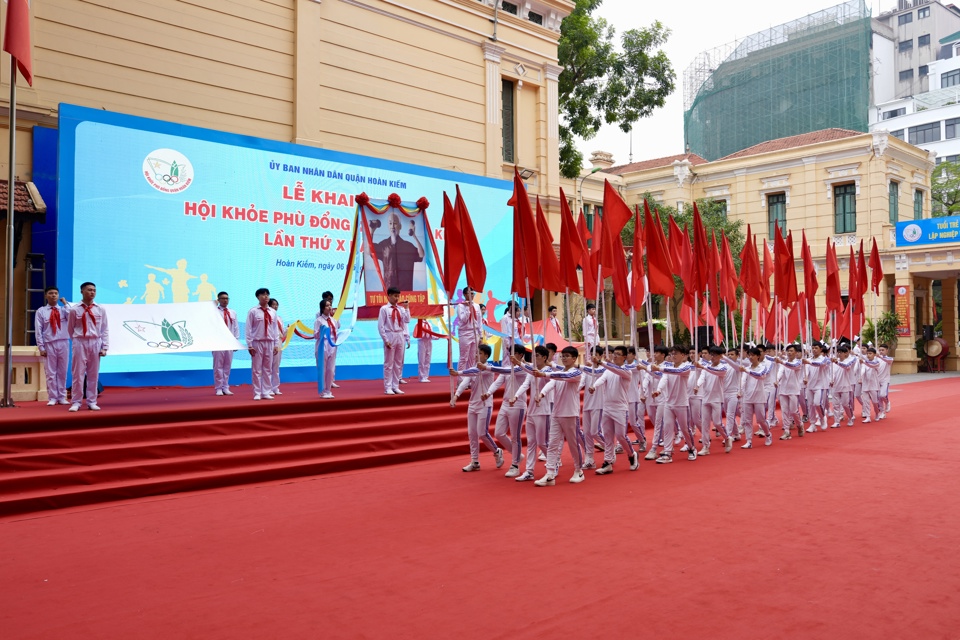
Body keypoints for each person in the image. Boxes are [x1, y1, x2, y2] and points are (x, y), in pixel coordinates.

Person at [533, 346, 585, 486]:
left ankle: (579, 470)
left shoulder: (576, 373)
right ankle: (550, 474)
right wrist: (541, 394)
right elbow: (552, 384)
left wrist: (543, 374)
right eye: (563, 356)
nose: (564, 358)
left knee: (573, 444)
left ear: (574, 358)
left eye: (567, 356)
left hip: (570, 414)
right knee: (553, 443)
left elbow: (563, 377)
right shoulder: (559, 373)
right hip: (556, 413)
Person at [450, 344, 504, 472]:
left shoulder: (488, 368)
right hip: (472, 405)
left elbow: (475, 372)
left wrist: (458, 372)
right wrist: (456, 396)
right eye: (476, 353)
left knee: (482, 433)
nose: (476, 355)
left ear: (486, 355)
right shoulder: (473, 368)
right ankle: (475, 461)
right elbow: (464, 383)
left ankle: (497, 451)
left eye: (479, 353)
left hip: (485, 405)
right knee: (472, 434)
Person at [589, 345, 640, 474]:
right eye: (614, 354)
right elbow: (602, 378)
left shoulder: (626, 372)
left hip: (620, 408)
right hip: (607, 407)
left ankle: (632, 454)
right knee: (607, 436)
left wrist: (601, 362)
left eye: (618, 354)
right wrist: (594, 386)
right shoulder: (608, 370)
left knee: (621, 436)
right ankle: (608, 462)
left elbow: (615, 370)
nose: (615, 356)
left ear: (624, 357)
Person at [484, 345, 529, 477]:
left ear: (520, 355)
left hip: (518, 404)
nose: (510, 356)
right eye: (509, 353)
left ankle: (515, 464)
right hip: (505, 404)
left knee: (515, 436)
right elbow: (498, 382)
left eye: (513, 353)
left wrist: (487, 367)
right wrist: (488, 393)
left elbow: (506, 372)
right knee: (498, 433)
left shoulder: (524, 369)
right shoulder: (508, 369)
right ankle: (517, 455)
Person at [650, 346, 698, 464]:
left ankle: (692, 448)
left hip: (681, 404)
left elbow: (677, 372)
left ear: (683, 355)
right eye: (671, 354)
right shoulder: (667, 368)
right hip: (668, 403)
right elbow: (664, 379)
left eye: (676, 353)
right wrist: (659, 390)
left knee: (685, 429)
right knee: (667, 428)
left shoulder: (686, 367)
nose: (673, 356)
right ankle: (667, 452)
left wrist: (659, 368)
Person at [513, 345, 553, 481]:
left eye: (537, 356)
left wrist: (541, 395)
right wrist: (516, 396)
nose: (534, 358)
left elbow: (549, 384)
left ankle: (553, 465)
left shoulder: (548, 371)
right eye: (533, 356)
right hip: (531, 411)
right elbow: (525, 385)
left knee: (542, 443)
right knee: (531, 442)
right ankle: (529, 471)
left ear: (544, 357)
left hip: (543, 411)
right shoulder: (532, 372)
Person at [67, 282, 108, 411]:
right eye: (89, 290)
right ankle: (76, 402)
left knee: (93, 374)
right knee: (77, 373)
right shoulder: (75, 309)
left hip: (95, 342)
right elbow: (70, 329)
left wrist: (104, 346)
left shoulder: (100, 309)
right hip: (80, 341)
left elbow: (104, 329)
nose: (92, 292)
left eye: (94, 290)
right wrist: (77, 341)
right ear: (82, 291)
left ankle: (91, 401)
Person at [35, 287, 72, 406]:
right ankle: (52, 397)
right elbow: (38, 330)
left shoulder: (63, 310)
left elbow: (72, 316)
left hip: (63, 342)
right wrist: (41, 347)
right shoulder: (41, 311)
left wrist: (65, 303)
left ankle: (62, 396)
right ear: (46, 296)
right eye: (50, 293)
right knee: (51, 372)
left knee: (62, 371)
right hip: (49, 343)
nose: (53, 295)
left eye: (56, 293)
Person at [373, 212, 424, 291]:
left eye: (395, 223)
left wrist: (414, 236)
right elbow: (369, 250)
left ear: (400, 226)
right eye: (390, 223)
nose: (392, 226)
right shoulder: (383, 245)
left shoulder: (408, 246)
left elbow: (421, 255)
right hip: (389, 291)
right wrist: (372, 231)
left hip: (406, 290)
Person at [694, 345, 731, 454]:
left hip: (717, 399)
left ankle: (727, 437)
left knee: (717, 423)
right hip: (706, 398)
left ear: (720, 356)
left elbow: (716, 372)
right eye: (712, 354)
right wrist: (697, 385)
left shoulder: (723, 367)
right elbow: (702, 377)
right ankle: (705, 446)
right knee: (705, 423)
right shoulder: (706, 367)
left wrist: (703, 367)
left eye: (715, 355)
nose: (713, 357)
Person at [245, 287, 280, 400]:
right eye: (263, 294)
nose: (266, 296)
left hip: (269, 342)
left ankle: (266, 391)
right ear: (258, 297)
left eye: (267, 294)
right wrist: (249, 344)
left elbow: (275, 329)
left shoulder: (273, 312)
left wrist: (276, 344)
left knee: (268, 368)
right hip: (257, 342)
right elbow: (248, 328)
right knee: (256, 369)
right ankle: (257, 392)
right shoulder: (253, 311)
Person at [737, 347, 773, 448]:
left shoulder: (762, 367)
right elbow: (743, 381)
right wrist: (740, 391)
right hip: (747, 397)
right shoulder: (747, 369)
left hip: (759, 397)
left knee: (761, 419)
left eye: (753, 355)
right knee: (747, 420)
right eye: (749, 355)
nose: (751, 357)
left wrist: (746, 371)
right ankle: (749, 441)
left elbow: (759, 375)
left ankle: (768, 434)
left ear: (758, 356)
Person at [378, 287, 406, 395]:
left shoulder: (401, 309)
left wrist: (407, 309)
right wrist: (385, 339)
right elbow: (380, 326)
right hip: (390, 334)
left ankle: (396, 386)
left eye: (398, 296)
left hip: (400, 334)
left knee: (398, 363)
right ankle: (388, 387)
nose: (397, 298)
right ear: (388, 296)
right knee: (389, 363)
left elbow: (407, 320)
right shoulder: (384, 309)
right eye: (395, 296)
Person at [775, 344, 805, 439]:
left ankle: (799, 424)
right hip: (783, 389)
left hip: (793, 390)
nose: (789, 353)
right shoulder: (783, 363)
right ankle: (786, 431)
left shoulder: (798, 363)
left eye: (791, 351)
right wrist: (777, 380)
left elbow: (792, 366)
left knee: (793, 411)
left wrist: (782, 362)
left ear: (796, 353)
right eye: (788, 351)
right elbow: (780, 371)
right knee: (784, 411)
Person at [213, 291, 239, 396]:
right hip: (218, 341)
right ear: (218, 300)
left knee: (227, 365)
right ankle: (218, 388)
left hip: (230, 342)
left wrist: (236, 340)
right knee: (218, 366)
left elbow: (236, 327)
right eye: (223, 298)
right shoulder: (214, 312)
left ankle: (225, 387)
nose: (225, 300)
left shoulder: (232, 312)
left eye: (227, 298)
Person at [802, 342, 832, 433]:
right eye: (813, 348)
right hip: (810, 385)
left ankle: (822, 418)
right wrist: (806, 377)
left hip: (821, 386)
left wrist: (808, 362)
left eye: (816, 348)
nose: (814, 350)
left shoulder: (825, 359)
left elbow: (819, 364)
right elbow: (806, 369)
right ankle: (812, 424)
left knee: (817, 403)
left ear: (821, 349)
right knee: (810, 405)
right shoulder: (809, 359)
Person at [315, 299, 339, 398]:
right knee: (323, 369)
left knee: (330, 369)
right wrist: (322, 331)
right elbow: (315, 335)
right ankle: (323, 391)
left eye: (330, 305)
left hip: (332, 345)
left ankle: (328, 390)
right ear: (322, 308)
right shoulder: (319, 320)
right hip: (322, 344)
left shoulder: (334, 320)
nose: (330, 307)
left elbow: (336, 332)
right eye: (327, 306)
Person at [456, 287, 482, 370]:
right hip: (465, 333)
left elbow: (479, 321)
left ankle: (470, 378)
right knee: (464, 357)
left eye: (472, 293)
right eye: (469, 293)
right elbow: (463, 319)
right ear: (464, 294)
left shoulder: (477, 306)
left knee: (473, 358)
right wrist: (467, 308)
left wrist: (480, 335)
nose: (471, 295)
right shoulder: (461, 306)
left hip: (474, 333)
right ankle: (461, 379)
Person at [321, 291, 339, 388]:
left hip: (333, 340)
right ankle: (323, 382)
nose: (330, 301)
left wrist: (334, 315)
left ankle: (331, 380)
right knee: (324, 363)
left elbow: (338, 325)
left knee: (332, 362)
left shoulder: (334, 312)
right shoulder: (319, 315)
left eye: (331, 299)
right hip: (324, 341)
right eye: (328, 299)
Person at [268, 298, 285, 395]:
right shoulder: (267, 316)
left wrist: (288, 329)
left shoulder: (279, 318)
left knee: (276, 366)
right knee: (268, 365)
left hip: (278, 342)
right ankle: (268, 387)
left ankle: (275, 387)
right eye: (273, 304)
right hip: (269, 341)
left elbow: (281, 332)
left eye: (277, 305)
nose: (275, 306)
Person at [414, 317, 435, 382]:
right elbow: (417, 334)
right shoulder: (418, 323)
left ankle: (426, 376)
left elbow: (432, 333)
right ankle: (421, 376)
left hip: (429, 341)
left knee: (428, 359)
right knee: (422, 359)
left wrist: (437, 337)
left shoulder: (429, 323)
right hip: (422, 341)